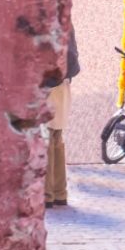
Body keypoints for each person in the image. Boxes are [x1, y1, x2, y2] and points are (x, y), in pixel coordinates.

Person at [45, 27, 80, 207]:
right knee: (56, 138)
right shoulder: (65, 22)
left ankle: (47, 194)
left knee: (48, 138)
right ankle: (60, 192)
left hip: (50, 86)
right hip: (63, 85)